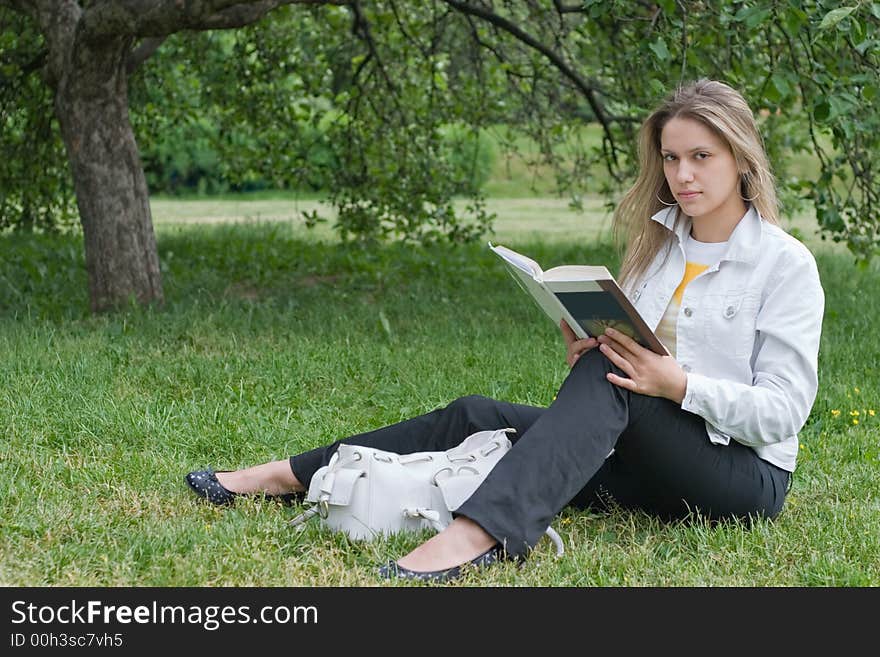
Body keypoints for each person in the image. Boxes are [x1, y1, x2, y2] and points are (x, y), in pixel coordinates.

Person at [185, 79, 824, 583]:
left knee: (614, 378)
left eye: (702, 157)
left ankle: (478, 538)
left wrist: (676, 383)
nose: (683, 175)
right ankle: (281, 477)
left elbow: (783, 412)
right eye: (672, 158)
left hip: (738, 479)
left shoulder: (784, 264)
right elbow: (632, 363)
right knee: (478, 412)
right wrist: (591, 339)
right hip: (640, 464)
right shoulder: (660, 247)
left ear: (740, 158)